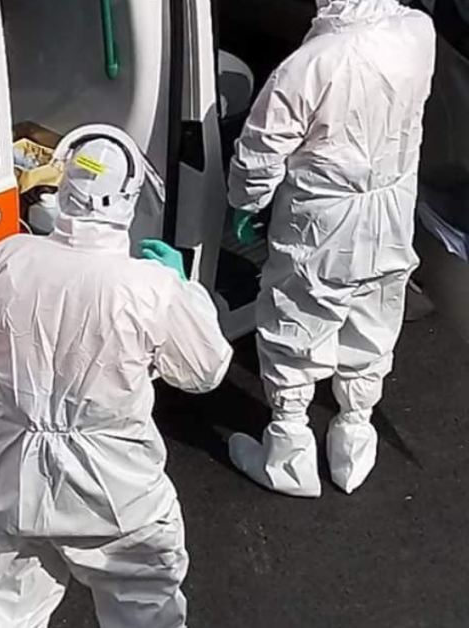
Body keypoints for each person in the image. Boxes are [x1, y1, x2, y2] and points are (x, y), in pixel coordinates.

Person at [0, 125, 233, 628]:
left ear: (63, 188)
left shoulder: (6, 258)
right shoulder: (150, 287)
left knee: (9, 605)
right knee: (144, 610)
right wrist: (186, 288)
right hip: (115, 490)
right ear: (130, 199)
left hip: (19, 479)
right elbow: (204, 370)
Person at [226, 0, 436, 497]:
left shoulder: (311, 63)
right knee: (374, 312)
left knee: (296, 320)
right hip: (392, 208)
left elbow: (259, 153)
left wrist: (244, 203)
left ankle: (288, 451)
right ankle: (354, 438)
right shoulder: (418, 32)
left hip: (322, 219)